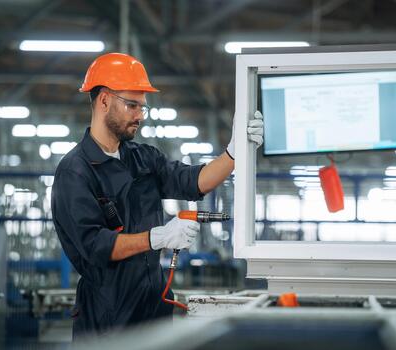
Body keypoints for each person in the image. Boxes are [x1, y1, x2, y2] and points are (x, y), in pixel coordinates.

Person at [51, 52, 263, 339]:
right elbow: (95, 246)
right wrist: (158, 237)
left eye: (142, 107)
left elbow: (192, 181)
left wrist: (234, 153)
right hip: (107, 321)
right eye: (132, 105)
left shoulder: (143, 158)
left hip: (154, 311)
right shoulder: (74, 172)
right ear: (103, 100)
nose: (139, 115)